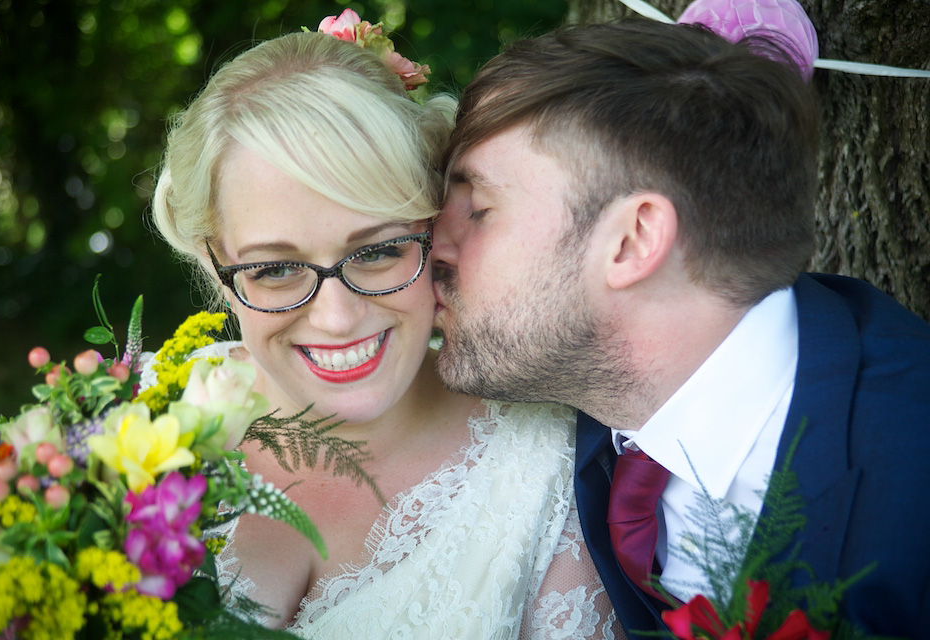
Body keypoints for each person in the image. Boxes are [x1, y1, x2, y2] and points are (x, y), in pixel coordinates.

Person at [431, 17, 930, 638]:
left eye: (478, 209)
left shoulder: (914, 482)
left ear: (633, 240)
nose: (432, 247)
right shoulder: (584, 400)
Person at [148, 15, 625, 639]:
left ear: (436, 230)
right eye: (277, 269)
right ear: (217, 260)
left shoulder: (552, 475)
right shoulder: (143, 416)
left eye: (377, 252)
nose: (338, 317)